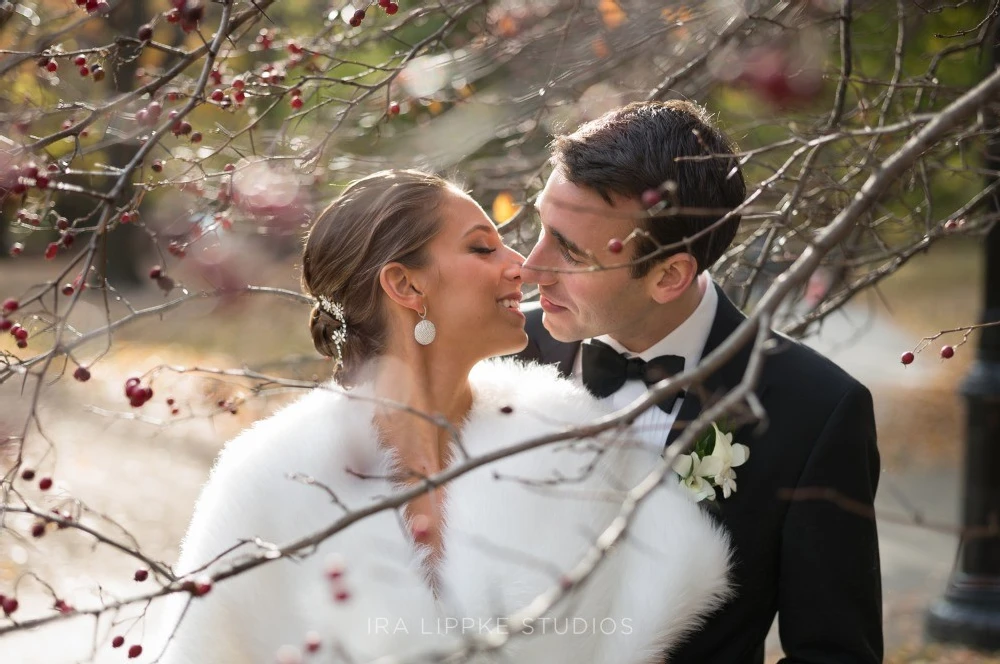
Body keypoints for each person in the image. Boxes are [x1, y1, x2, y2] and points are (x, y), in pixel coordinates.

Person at [157, 169, 732, 664]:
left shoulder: (574, 441)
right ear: (406, 285)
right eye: (484, 248)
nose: (522, 268)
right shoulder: (272, 476)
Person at [517, 100, 882, 663]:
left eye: (569, 252)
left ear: (668, 276)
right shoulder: (501, 350)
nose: (529, 268)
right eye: (544, 226)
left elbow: (835, 654)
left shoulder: (815, 411)